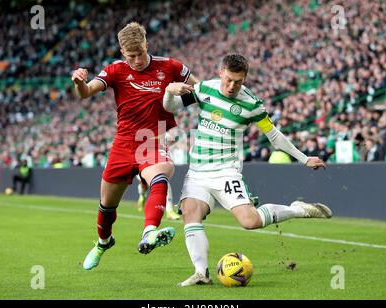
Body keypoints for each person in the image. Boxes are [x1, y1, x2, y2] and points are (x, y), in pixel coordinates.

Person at [163, 54, 332, 286]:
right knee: (190, 212)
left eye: (238, 82)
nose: (232, 86)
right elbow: (169, 107)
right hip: (198, 172)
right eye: (229, 80)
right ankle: (201, 273)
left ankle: (298, 210)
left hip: (226, 173)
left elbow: (273, 136)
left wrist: (303, 159)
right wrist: (168, 90)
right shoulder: (203, 89)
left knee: (250, 221)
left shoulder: (251, 104)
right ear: (221, 72)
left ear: (245, 79)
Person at [71, 22, 197, 270]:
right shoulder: (116, 71)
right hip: (123, 144)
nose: (137, 60)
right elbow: (86, 93)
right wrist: (79, 82)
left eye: (140, 53)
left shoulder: (170, 66)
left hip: (153, 139)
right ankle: (103, 243)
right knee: (107, 206)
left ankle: (149, 233)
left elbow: (199, 89)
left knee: (159, 177)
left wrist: (180, 94)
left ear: (146, 45)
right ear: (122, 53)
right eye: (131, 56)